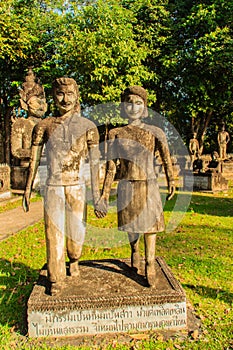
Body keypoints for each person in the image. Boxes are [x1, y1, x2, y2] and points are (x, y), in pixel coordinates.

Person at [23, 77, 100, 295]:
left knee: (76, 238)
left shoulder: (87, 126)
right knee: (53, 233)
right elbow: (34, 159)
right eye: (60, 94)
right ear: (53, 96)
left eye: (69, 94)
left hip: (76, 186)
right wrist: (28, 188)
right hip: (54, 187)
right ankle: (55, 277)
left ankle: (74, 260)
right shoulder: (44, 126)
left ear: (77, 96)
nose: (65, 99)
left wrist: (98, 196)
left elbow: (95, 163)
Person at [95, 86, 175, 287]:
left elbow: (166, 158)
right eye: (129, 102)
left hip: (149, 186)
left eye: (138, 103)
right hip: (127, 186)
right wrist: (104, 195)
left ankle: (149, 262)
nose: (133, 107)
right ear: (124, 106)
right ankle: (134, 250)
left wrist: (171, 180)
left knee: (151, 227)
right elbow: (111, 166)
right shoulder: (116, 133)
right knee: (132, 226)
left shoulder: (155, 132)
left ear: (145, 107)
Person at [11, 68, 47, 166]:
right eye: (35, 102)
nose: (41, 106)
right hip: (27, 167)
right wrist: (34, 152)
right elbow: (16, 151)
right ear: (24, 105)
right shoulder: (21, 124)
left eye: (43, 102)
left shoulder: (48, 124)